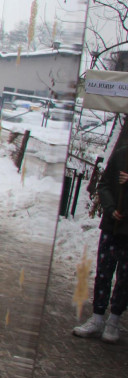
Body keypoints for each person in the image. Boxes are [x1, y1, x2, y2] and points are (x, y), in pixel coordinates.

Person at [73, 146, 128, 343]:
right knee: (104, 272)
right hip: (111, 226)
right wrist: (110, 208)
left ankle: (114, 321)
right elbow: (104, 185)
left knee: (124, 278)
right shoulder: (121, 155)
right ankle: (97, 318)